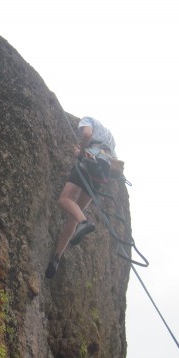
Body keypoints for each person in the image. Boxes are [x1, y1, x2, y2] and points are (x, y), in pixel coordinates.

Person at [45, 116, 117, 279]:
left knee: (64, 200)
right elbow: (114, 164)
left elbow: (86, 135)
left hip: (89, 162)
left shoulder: (88, 120)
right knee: (74, 213)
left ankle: (84, 222)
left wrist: (80, 153)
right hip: (101, 174)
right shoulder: (110, 139)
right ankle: (56, 258)